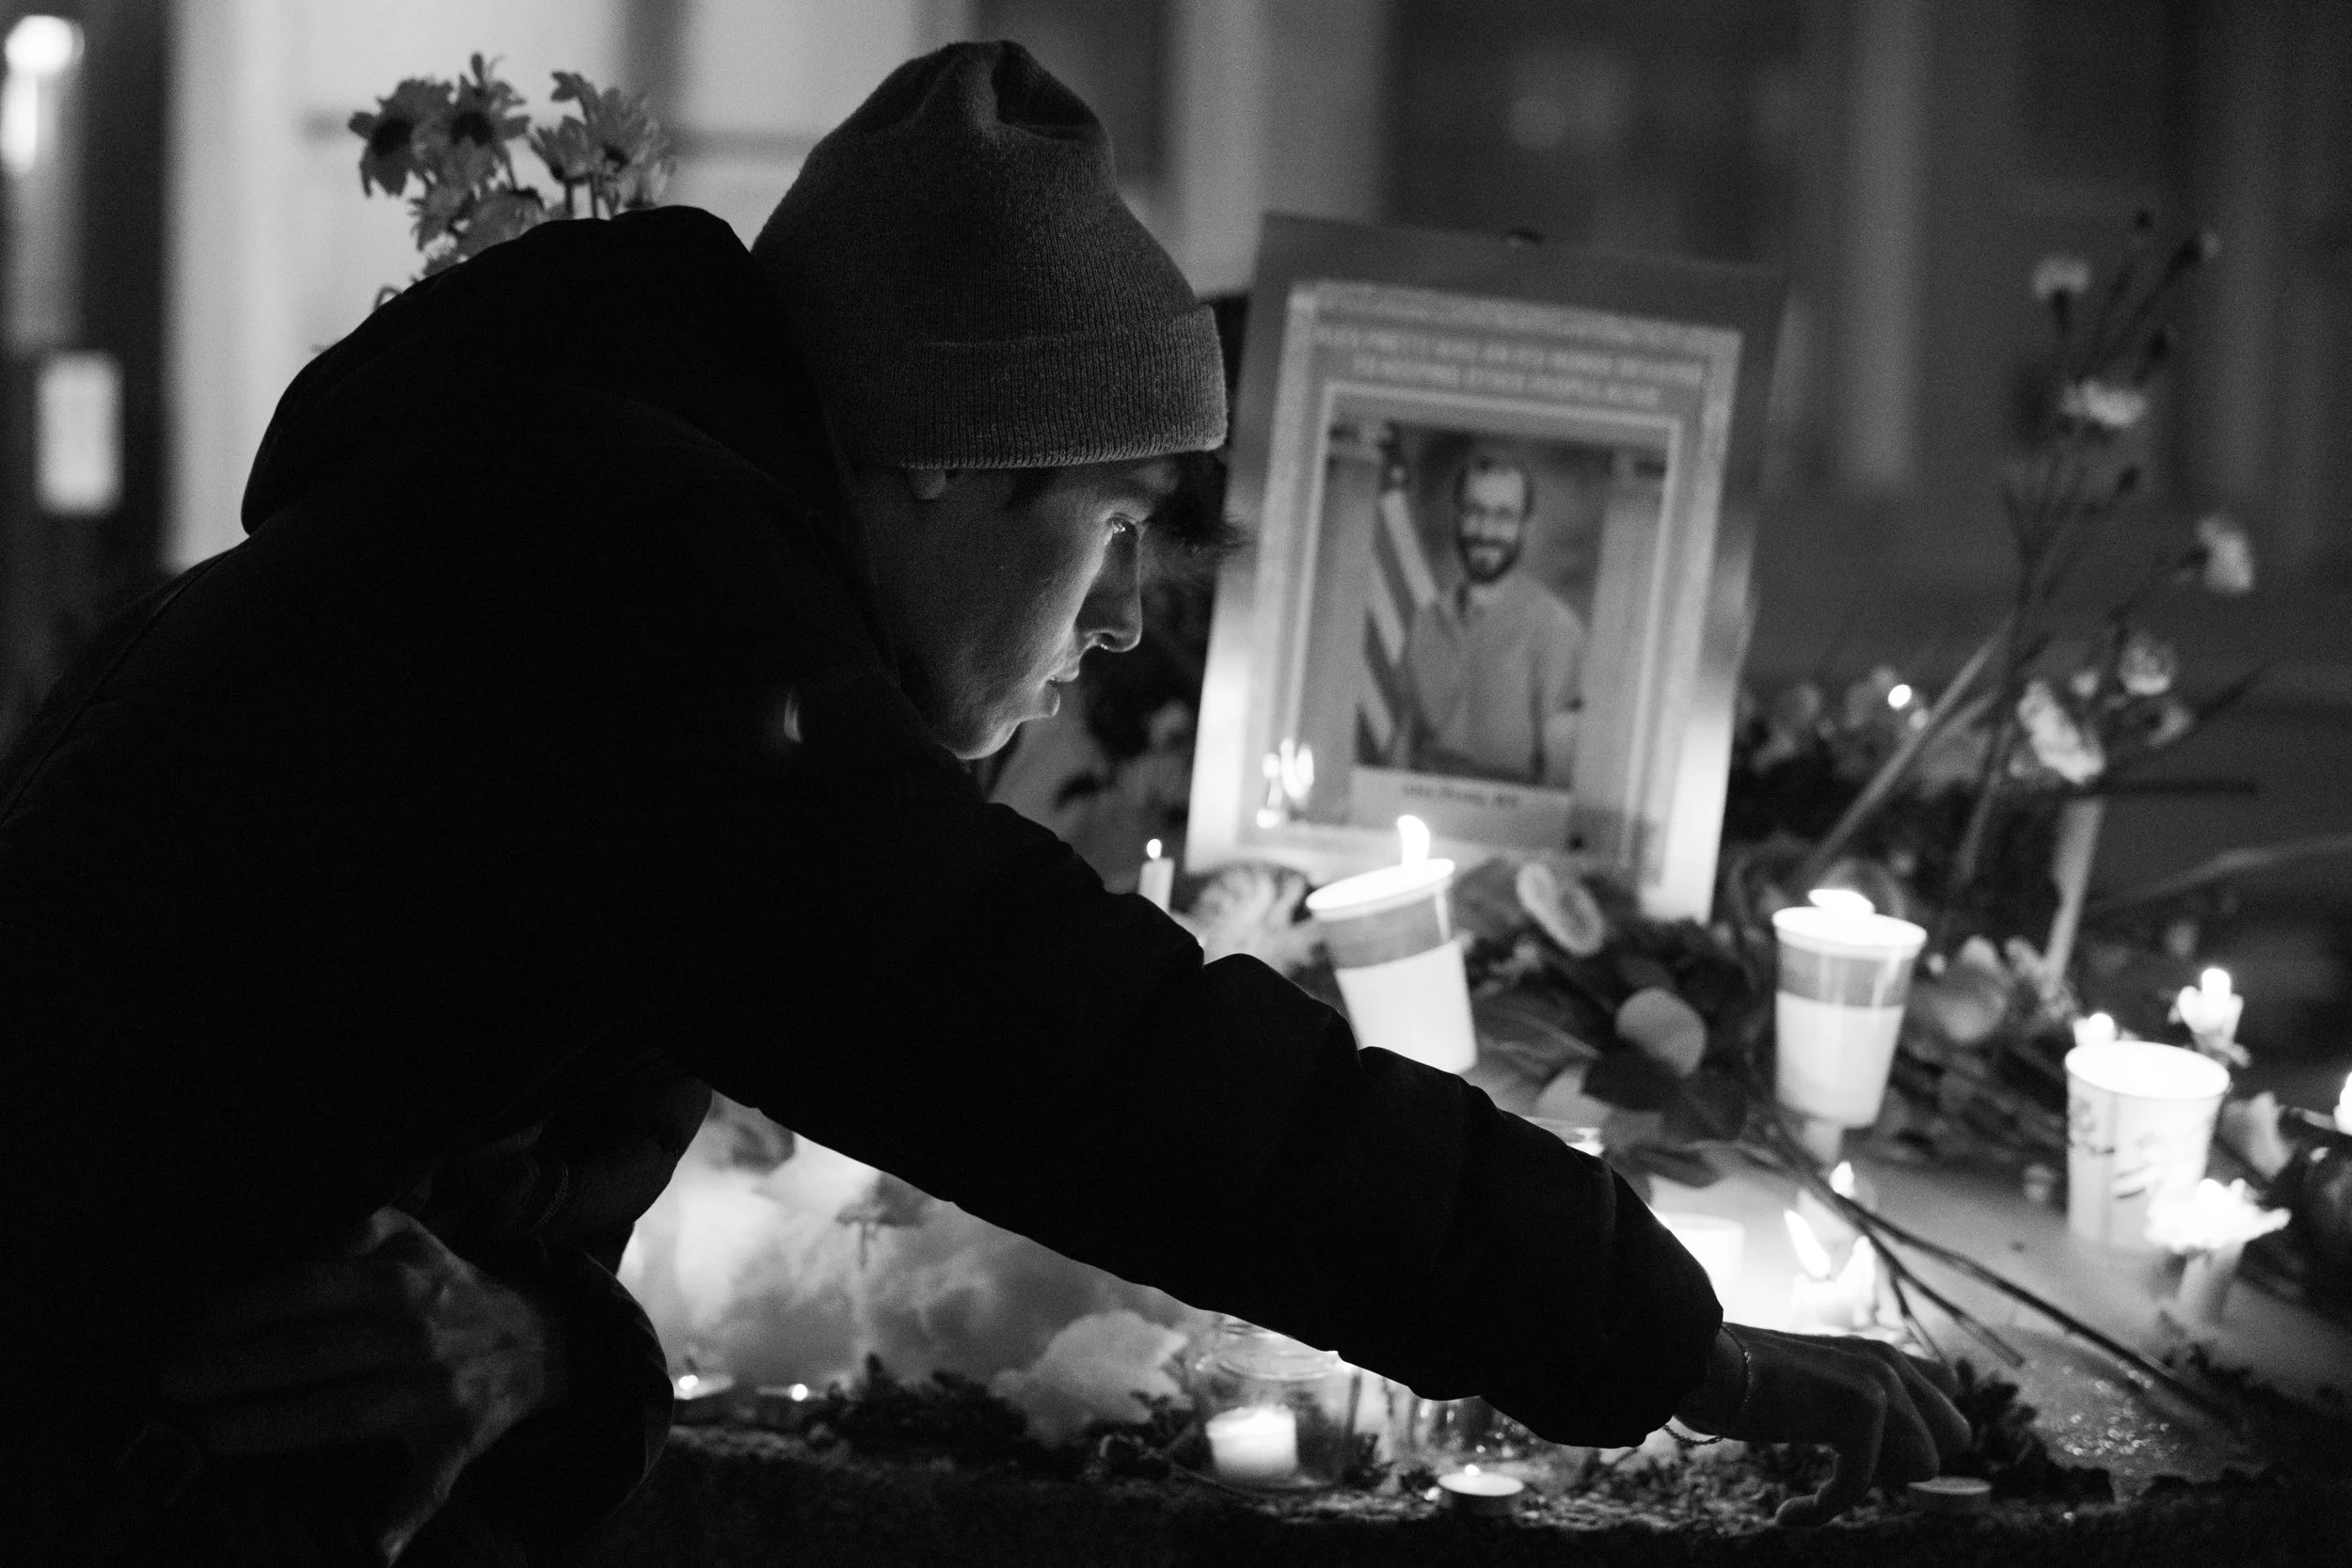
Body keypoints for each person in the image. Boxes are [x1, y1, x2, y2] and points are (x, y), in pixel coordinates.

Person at [0, 41, 1963, 1566]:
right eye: (1108, 524)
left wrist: (540, 1341)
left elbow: (469, 1188)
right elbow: (1072, 1046)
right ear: (941, 457)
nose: (1121, 619)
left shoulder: (596, 534)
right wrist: (1655, 1331)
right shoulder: (634, 598)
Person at [1393, 452, 1586, 787]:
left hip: (1508, 812)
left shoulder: (1556, 630)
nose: (1485, 531)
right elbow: (1402, 745)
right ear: (1457, 516)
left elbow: (1559, 779)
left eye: (1503, 516)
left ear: (1525, 526)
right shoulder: (1426, 621)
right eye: (1474, 511)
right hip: (1421, 804)